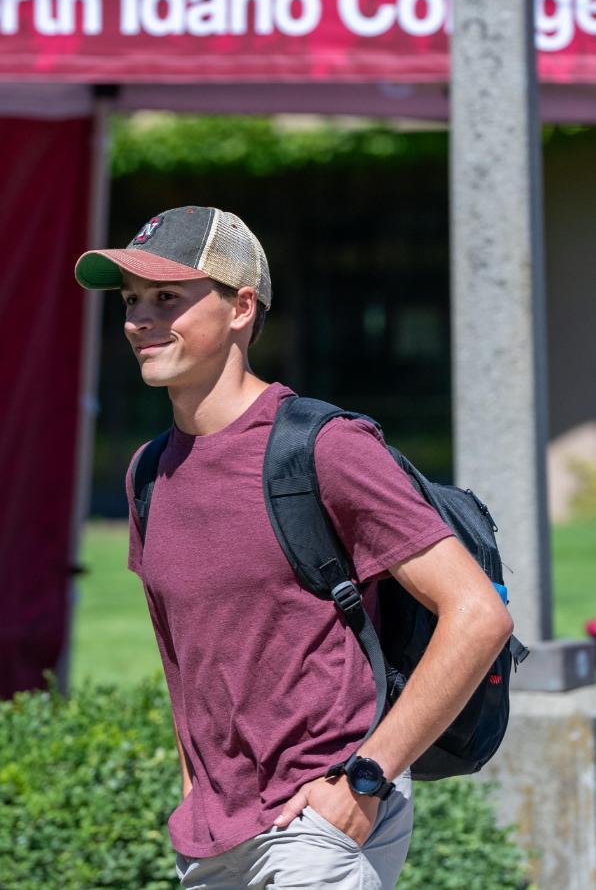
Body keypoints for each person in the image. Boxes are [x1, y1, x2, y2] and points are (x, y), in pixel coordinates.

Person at [74, 206, 513, 890]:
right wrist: (194, 791)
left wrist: (365, 778)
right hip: (212, 834)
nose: (140, 321)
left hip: (318, 817)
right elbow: (185, 653)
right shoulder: (149, 473)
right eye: (131, 301)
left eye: (166, 297)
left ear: (241, 307)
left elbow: (479, 614)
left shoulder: (324, 448)